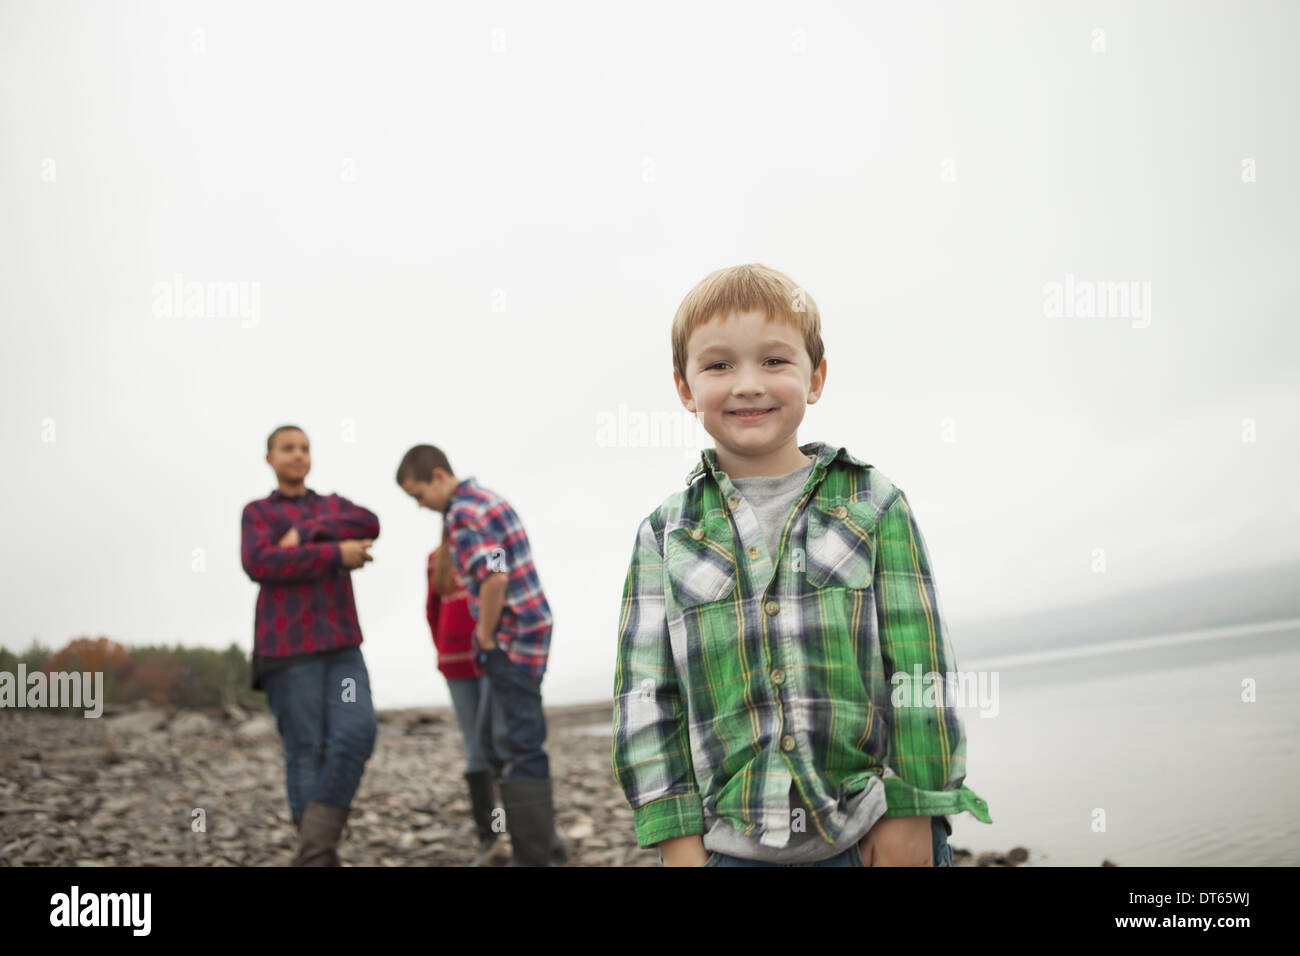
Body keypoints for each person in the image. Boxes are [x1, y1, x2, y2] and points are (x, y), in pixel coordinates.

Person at [611, 263, 992, 867]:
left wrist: (915, 809)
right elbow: (644, 699)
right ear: (685, 389)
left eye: (773, 361)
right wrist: (677, 842)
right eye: (718, 365)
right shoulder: (664, 533)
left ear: (814, 377)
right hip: (730, 847)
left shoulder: (874, 503)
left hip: (870, 830)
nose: (747, 384)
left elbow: (921, 671)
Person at [398, 445, 566, 866]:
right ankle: (548, 845)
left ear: (438, 476)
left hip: (510, 641)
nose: (421, 506)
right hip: (525, 634)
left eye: (418, 495)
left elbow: (494, 574)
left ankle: (535, 857)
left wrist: (486, 636)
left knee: (518, 747)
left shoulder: (462, 514)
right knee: (498, 744)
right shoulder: (486, 500)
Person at [240, 424, 380, 866]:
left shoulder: (331, 505)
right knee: (305, 750)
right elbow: (260, 562)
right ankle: (319, 858)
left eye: (304, 448)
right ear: (270, 458)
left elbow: (370, 522)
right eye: (287, 448)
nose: (297, 455)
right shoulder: (257, 512)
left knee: (357, 732)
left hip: (341, 645)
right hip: (286, 651)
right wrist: (335, 553)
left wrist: (306, 532)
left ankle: (313, 852)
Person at [426, 527, 509, 866]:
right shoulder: (436, 559)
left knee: (501, 745)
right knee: (475, 751)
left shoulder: (493, 550)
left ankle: (524, 833)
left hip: (491, 658)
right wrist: (443, 649)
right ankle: (489, 839)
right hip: (456, 664)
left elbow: (505, 591)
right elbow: (432, 611)